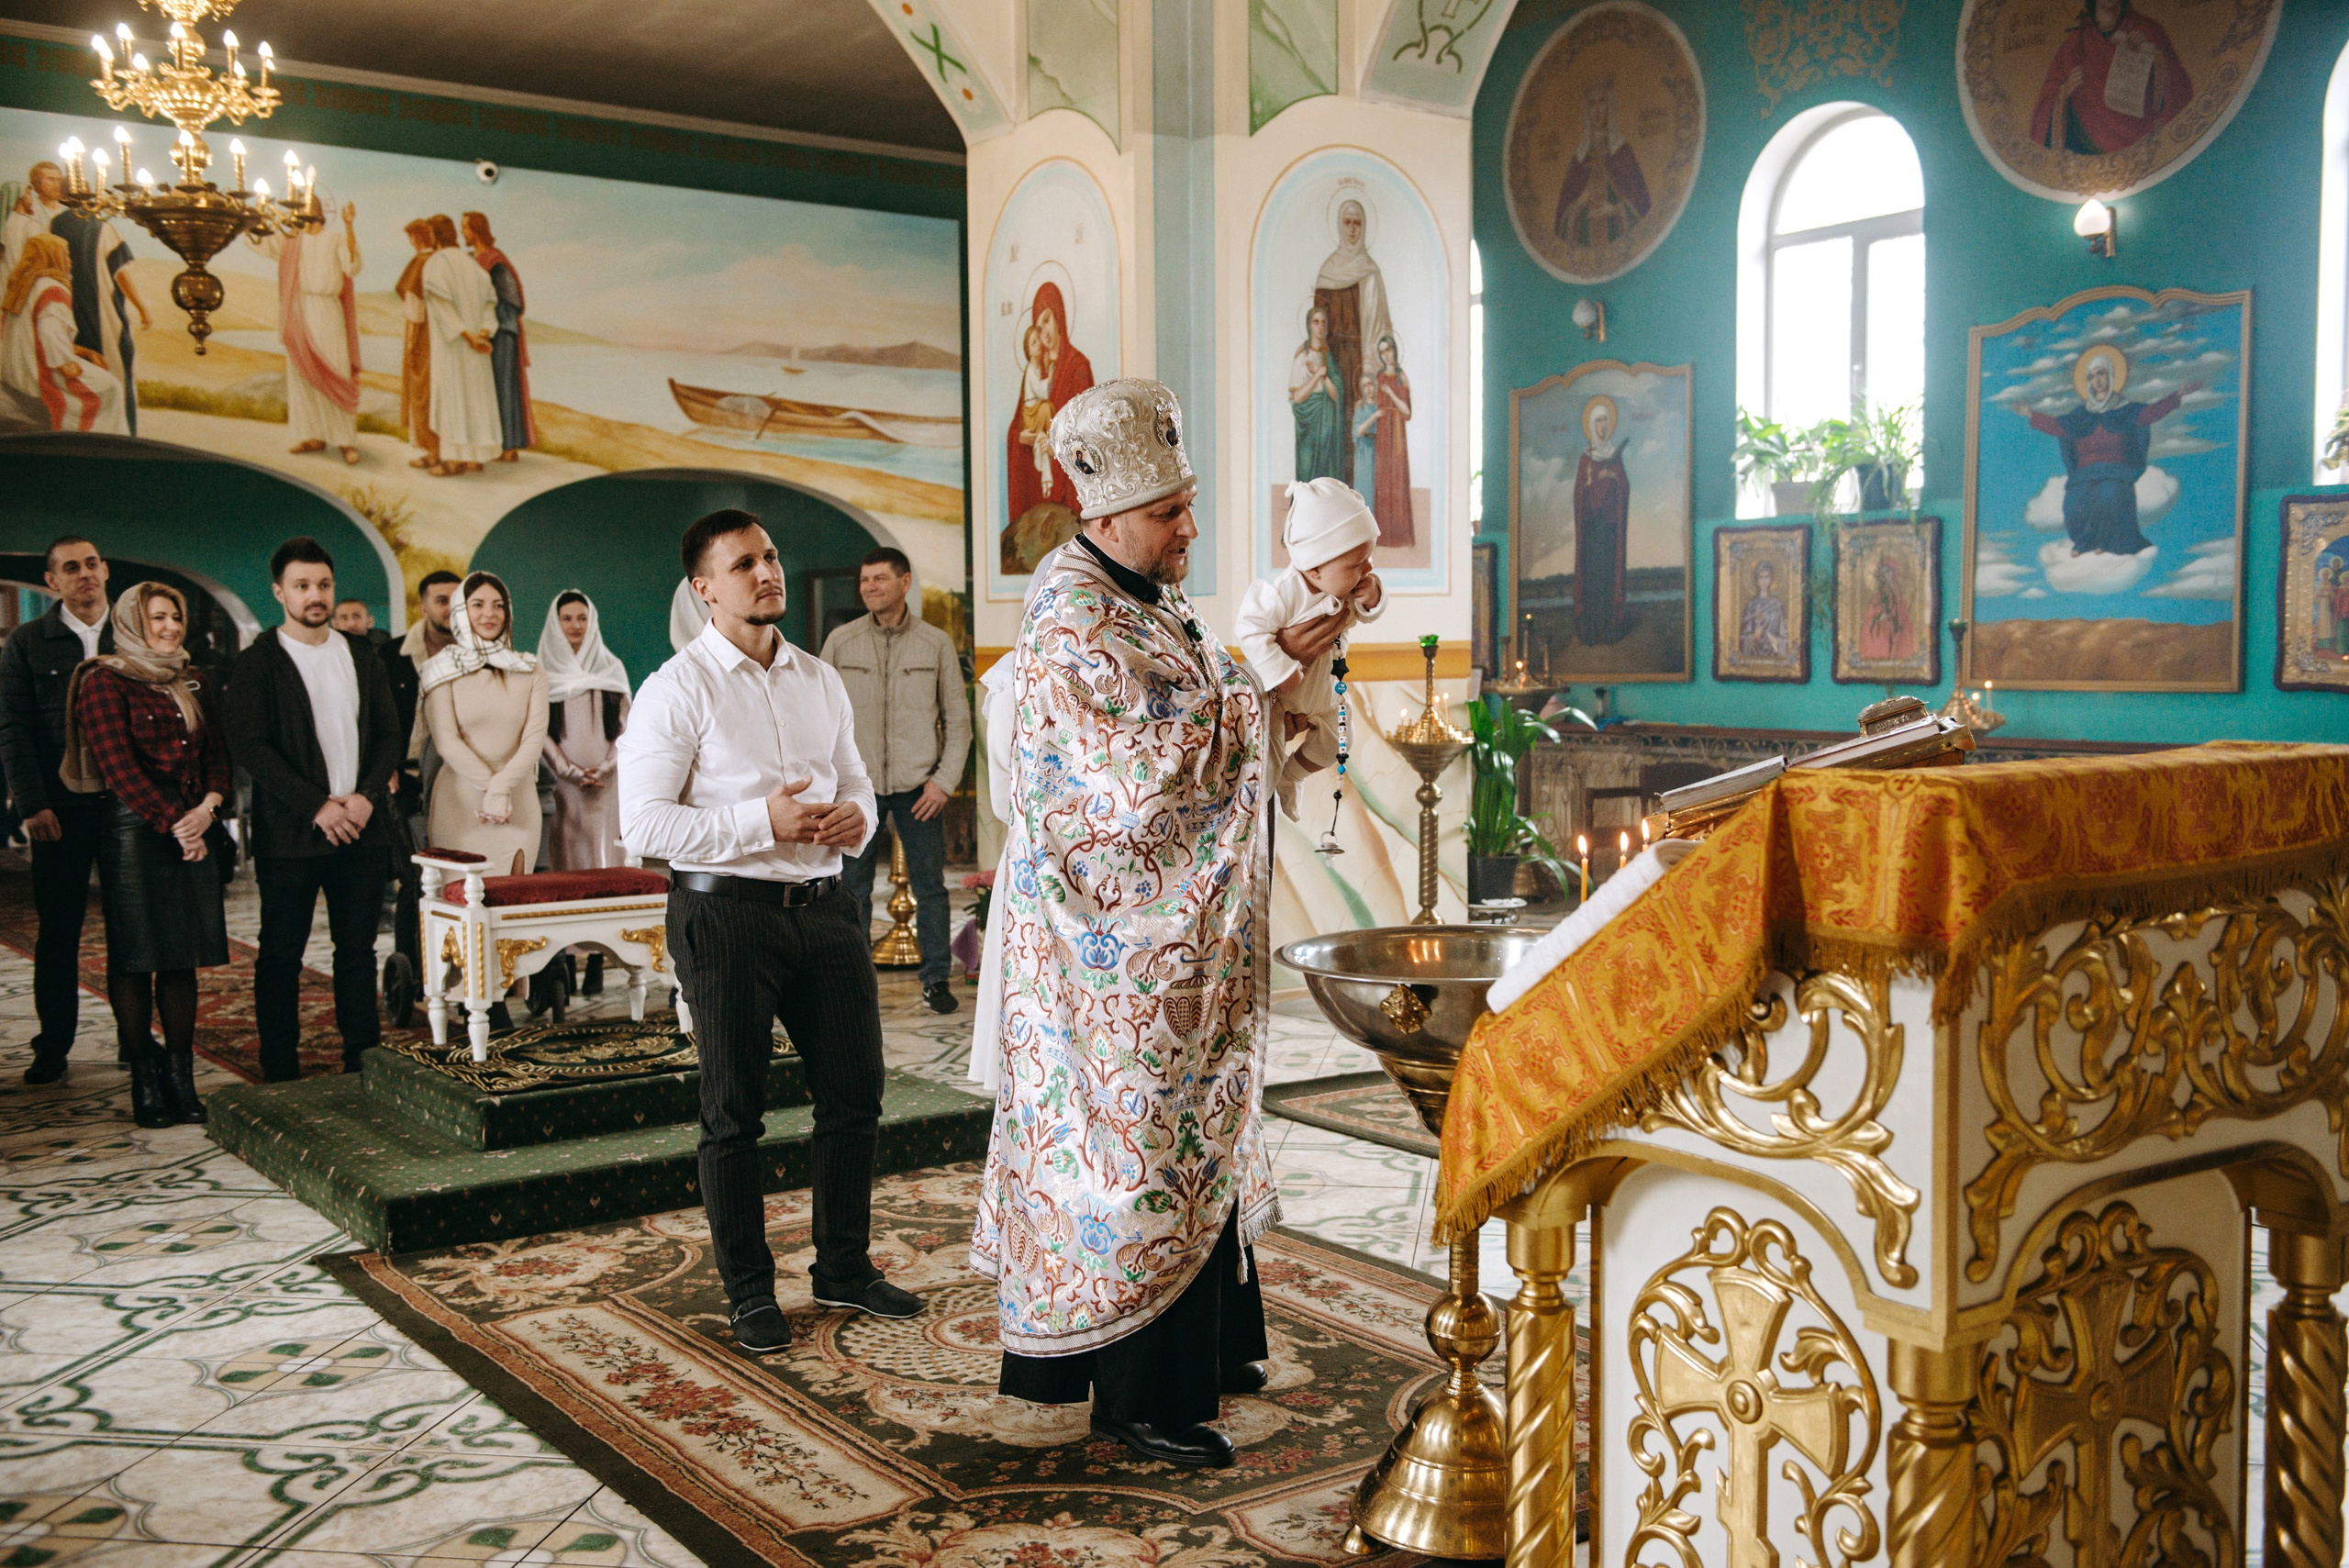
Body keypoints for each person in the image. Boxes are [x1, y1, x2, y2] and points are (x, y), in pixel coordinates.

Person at [978, 379, 1280, 1470]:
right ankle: (1135, 1397)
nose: (1189, 530)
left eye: (1187, 505)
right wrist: (1257, 689)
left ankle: (1208, 1348)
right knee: (1138, 1136)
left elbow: (1200, 702)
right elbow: (1127, 786)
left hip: (1166, 941)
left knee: (1188, 1128)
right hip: (1106, 951)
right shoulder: (1073, 620)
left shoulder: (1152, 599)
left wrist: (1246, 684)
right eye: (1170, 515)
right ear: (1106, 519)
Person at [618, 507, 919, 1356]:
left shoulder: (818, 679)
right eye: (745, 562)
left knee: (855, 1092)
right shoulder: (675, 689)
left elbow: (856, 787)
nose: (768, 572)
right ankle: (750, 1290)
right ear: (704, 588)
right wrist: (765, 821)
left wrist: (846, 822)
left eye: (772, 556)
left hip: (825, 910)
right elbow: (643, 824)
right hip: (725, 916)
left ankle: (843, 1267)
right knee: (734, 1112)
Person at [225, 539, 403, 1080]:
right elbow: (252, 748)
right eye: (302, 586)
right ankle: (279, 1064)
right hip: (293, 833)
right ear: (280, 592)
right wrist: (318, 806)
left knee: (357, 950)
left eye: (323, 584)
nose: (315, 596)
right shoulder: (258, 663)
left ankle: (361, 1059)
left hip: (362, 829)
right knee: (281, 952)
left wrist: (366, 797)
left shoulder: (360, 653)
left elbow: (390, 735)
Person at [61, 583, 228, 1127]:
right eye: (157, 618)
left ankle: (182, 1079)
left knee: (181, 958)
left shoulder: (192, 680)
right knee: (135, 958)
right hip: (133, 831)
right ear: (133, 622)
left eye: (175, 617)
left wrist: (207, 808)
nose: (170, 627)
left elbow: (217, 756)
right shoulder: (103, 680)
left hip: (193, 824)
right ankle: (145, 1082)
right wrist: (178, 824)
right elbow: (118, 768)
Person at [821, 548, 972, 1015]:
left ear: (905, 583)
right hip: (856, 789)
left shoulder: (935, 644)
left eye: (879, 579)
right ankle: (852, 982)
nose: (869, 587)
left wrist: (943, 783)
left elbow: (959, 721)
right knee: (851, 890)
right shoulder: (841, 643)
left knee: (931, 888)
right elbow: (816, 715)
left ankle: (935, 982)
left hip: (918, 788)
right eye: (864, 580)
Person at [0, 536, 122, 1083]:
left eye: (92, 564)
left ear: (106, 571)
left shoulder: (134, 632)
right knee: (59, 933)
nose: (85, 575)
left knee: (131, 929)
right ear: (53, 582)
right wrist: (31, 804)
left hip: (127, 807)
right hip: (60, 810)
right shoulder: (28, 642)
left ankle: (135, 1038)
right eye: (71, 568)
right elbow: (12, 728)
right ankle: (52, 1046)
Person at [1237, 477, 1384, 821]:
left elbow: (1367, 613)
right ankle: (1267, 798)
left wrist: (1374, 596)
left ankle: (1293, 777)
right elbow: (1250, 628)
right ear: (1315, 566)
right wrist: (1281, 670)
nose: (1369, 568)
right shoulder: (1283, 595)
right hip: (1282, 700)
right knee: (1265, 759)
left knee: (1341, 740)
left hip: (1327, 694)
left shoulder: (1343, 584)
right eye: (1357, 564)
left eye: (1369, 558)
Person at [2006, 347, 2197, 557]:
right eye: (2092, 376)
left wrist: (2176, 396)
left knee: (2109, 494)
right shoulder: (2081, 415)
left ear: (2111, 376)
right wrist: (2029, 414)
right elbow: (2057, 427)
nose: (2097, 380)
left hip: (2116, 472)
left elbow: (2150, 414)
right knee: (2073, 502)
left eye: (2101, 373)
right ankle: (2084, 542)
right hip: (2085, 474)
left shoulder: (2126, 410)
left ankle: (2108, 542)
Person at [419, 572, 547, 875]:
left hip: (518, 798)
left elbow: (534, 739)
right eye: (477, 605)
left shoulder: (530, 668)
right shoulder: (439, 669)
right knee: (460, 900)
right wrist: (491, 789)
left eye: (498, 605)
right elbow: (447, 741)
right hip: (461, 800)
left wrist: (502, 789)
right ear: (462, 611)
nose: (489, 613)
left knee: (515, 900)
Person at [250, 201, 362, 464]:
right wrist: (253, 219)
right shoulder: (292, 241)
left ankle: (345, 440)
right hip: (300, 311)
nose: (292, 216)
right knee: (303, 375)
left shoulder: (334, 239)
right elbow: (262, 242)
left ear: (315, 214)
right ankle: (314, 436)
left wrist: (349, 225)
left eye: (298, 211)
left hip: (327, 311)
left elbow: (352, 266)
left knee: (335, 370)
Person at [1002, 281, 1095, 575]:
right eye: (1037, 327)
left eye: (1047, 321)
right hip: (1043, 465)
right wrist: (1022, 437)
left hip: (1067, 485)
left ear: (1060, 318)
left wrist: (1054, 443)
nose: (1044, 334)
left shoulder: (1077, 367)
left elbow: (1085, 433)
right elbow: (1018, 426)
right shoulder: (1037, 369)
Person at [540, 590, 630, 873]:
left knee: (607, 852)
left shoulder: (611, 668)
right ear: (555, 624)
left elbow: (628, 729)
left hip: (607, 783)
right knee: (567, 849)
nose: (575, 625)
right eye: (567, 619)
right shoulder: (542, 672)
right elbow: (538, 730)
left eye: (582, 618)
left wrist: (604, 768)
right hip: (562, 784)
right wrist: (570, 771)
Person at [2, 235, 130, 434]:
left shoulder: (26, 283)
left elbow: (37, 336)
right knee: (112, 387)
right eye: (67, 256)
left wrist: (84, 352)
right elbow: (51, 337)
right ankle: (101, 443)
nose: (70, 262)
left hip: (18, 367)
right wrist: (66, 364)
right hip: (41, 371)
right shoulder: (53, 290)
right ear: (53, 256)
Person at [2030, 0, 2192, 156]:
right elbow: (2046, 104)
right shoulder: (2076, 42)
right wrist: (2064, 91)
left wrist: (2151, 55)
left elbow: (2179, 85)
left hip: (2146, 140)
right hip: (2087, 145)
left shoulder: (2148, 31)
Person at [50, 193, 150, 436]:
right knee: (118, 368)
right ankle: (125, 433)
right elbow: (121, 275)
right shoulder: (102, 228)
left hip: (67, 309)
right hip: (103, 313)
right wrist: (142, 309)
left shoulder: (55, 224)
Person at [1311, 197, 1391, 472]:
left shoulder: (1370, 272)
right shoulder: (1327, 272)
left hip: (1360, 361)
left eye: (1358, 223)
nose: (1353, 229)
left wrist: (1372, 368)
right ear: (1339, 225)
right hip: (1333, 361)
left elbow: (1380, 326)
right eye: (1347, 222)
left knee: (1357, 424)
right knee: (1335, 425)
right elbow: (1317, 324)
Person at [420, 214, 502, 474]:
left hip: (454, 346)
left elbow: (444, 310)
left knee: (454, 398)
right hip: (477, 347)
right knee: (475, 399)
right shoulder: (475, 267)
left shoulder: (436, 263)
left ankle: (454, 461)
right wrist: (484, 334)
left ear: (433, 236)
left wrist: (468, 337)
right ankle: (475, 458)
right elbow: (490, 307)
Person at [462, 212, 534, 461]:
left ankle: (509, 447)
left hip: (503, 332)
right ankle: (495, 443)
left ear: (476, 231)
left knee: (504, 387)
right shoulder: (473, 259)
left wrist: (492, 322)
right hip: (484, 331)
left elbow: (512, 301)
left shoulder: (495, 261)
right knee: (487, 389)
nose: (463, 233)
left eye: (465, 228)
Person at [1553, 80, 1652, 250]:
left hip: (1618, 242)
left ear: (1610, 107)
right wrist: (1579, 205)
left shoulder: (1623, 153)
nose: (1597, 110)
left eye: (1602, 102)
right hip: (1584, 245)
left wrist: (1614, 210)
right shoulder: (1579, 159)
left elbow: (1643, 209)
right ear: (1587, 111)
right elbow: (1561, 222)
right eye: (1592, 104)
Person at [1573, 394, 1631, 645]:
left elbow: (1625, 487)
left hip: (1609, 533)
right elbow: (1578, 495)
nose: (1603, 426)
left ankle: (1609, 629)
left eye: (1605, 421)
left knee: (1608, 579)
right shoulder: (1586, 459)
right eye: (1598, 421)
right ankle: (1591, 629)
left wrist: (1614, 479)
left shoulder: (1615, 456)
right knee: (1593, 581)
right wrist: (1591, 484)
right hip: (1592, 533)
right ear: (1591, 426)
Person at [395, 218, 439, 470]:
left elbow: (414, 309)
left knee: (421, 391)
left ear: (418, 238)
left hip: (422, 335)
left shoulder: (421, 262)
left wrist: (410, 344)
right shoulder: (438, 259)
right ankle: (434, 449)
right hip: (437, 333)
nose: (410, 242)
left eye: (411, 237)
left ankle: (430, 449)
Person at [1289, 306, 1345, 485]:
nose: (1320, 326)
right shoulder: (1301, 357)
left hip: (1327, 423)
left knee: (1326, 476)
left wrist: (1324, 374)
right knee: (1307, 475)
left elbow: (1337, 395)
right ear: (1309, 326)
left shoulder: (1327, 356)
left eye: (1323, 322)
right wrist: (1317, 375)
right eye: (1316, 322)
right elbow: (1297, 398)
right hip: (1308, 425)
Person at [1371, 333, 1414, 547]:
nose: (1386, 355)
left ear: (1395, 350)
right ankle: (1384, 535)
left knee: (1397, 477)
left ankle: (1400, 535)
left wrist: (1392, 393)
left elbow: (1407, 411)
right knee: (1383, 477)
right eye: (1382, 352)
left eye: (1388, 350)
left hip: (1396, 432)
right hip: (1383, 432)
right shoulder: (1380, 377)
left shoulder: (1401, 378)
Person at [1740, 561, 1791, 662]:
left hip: (1773, 654)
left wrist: (1776, 640)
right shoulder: (1751, 605)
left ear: (1771, 579)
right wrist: (1754, 636)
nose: (1764, 581)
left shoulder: (1777, 606)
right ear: (1756, 580)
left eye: (1767, 577)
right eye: (1761, 577)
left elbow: (1785, 636)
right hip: (1754, 656)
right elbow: (1743, 638)